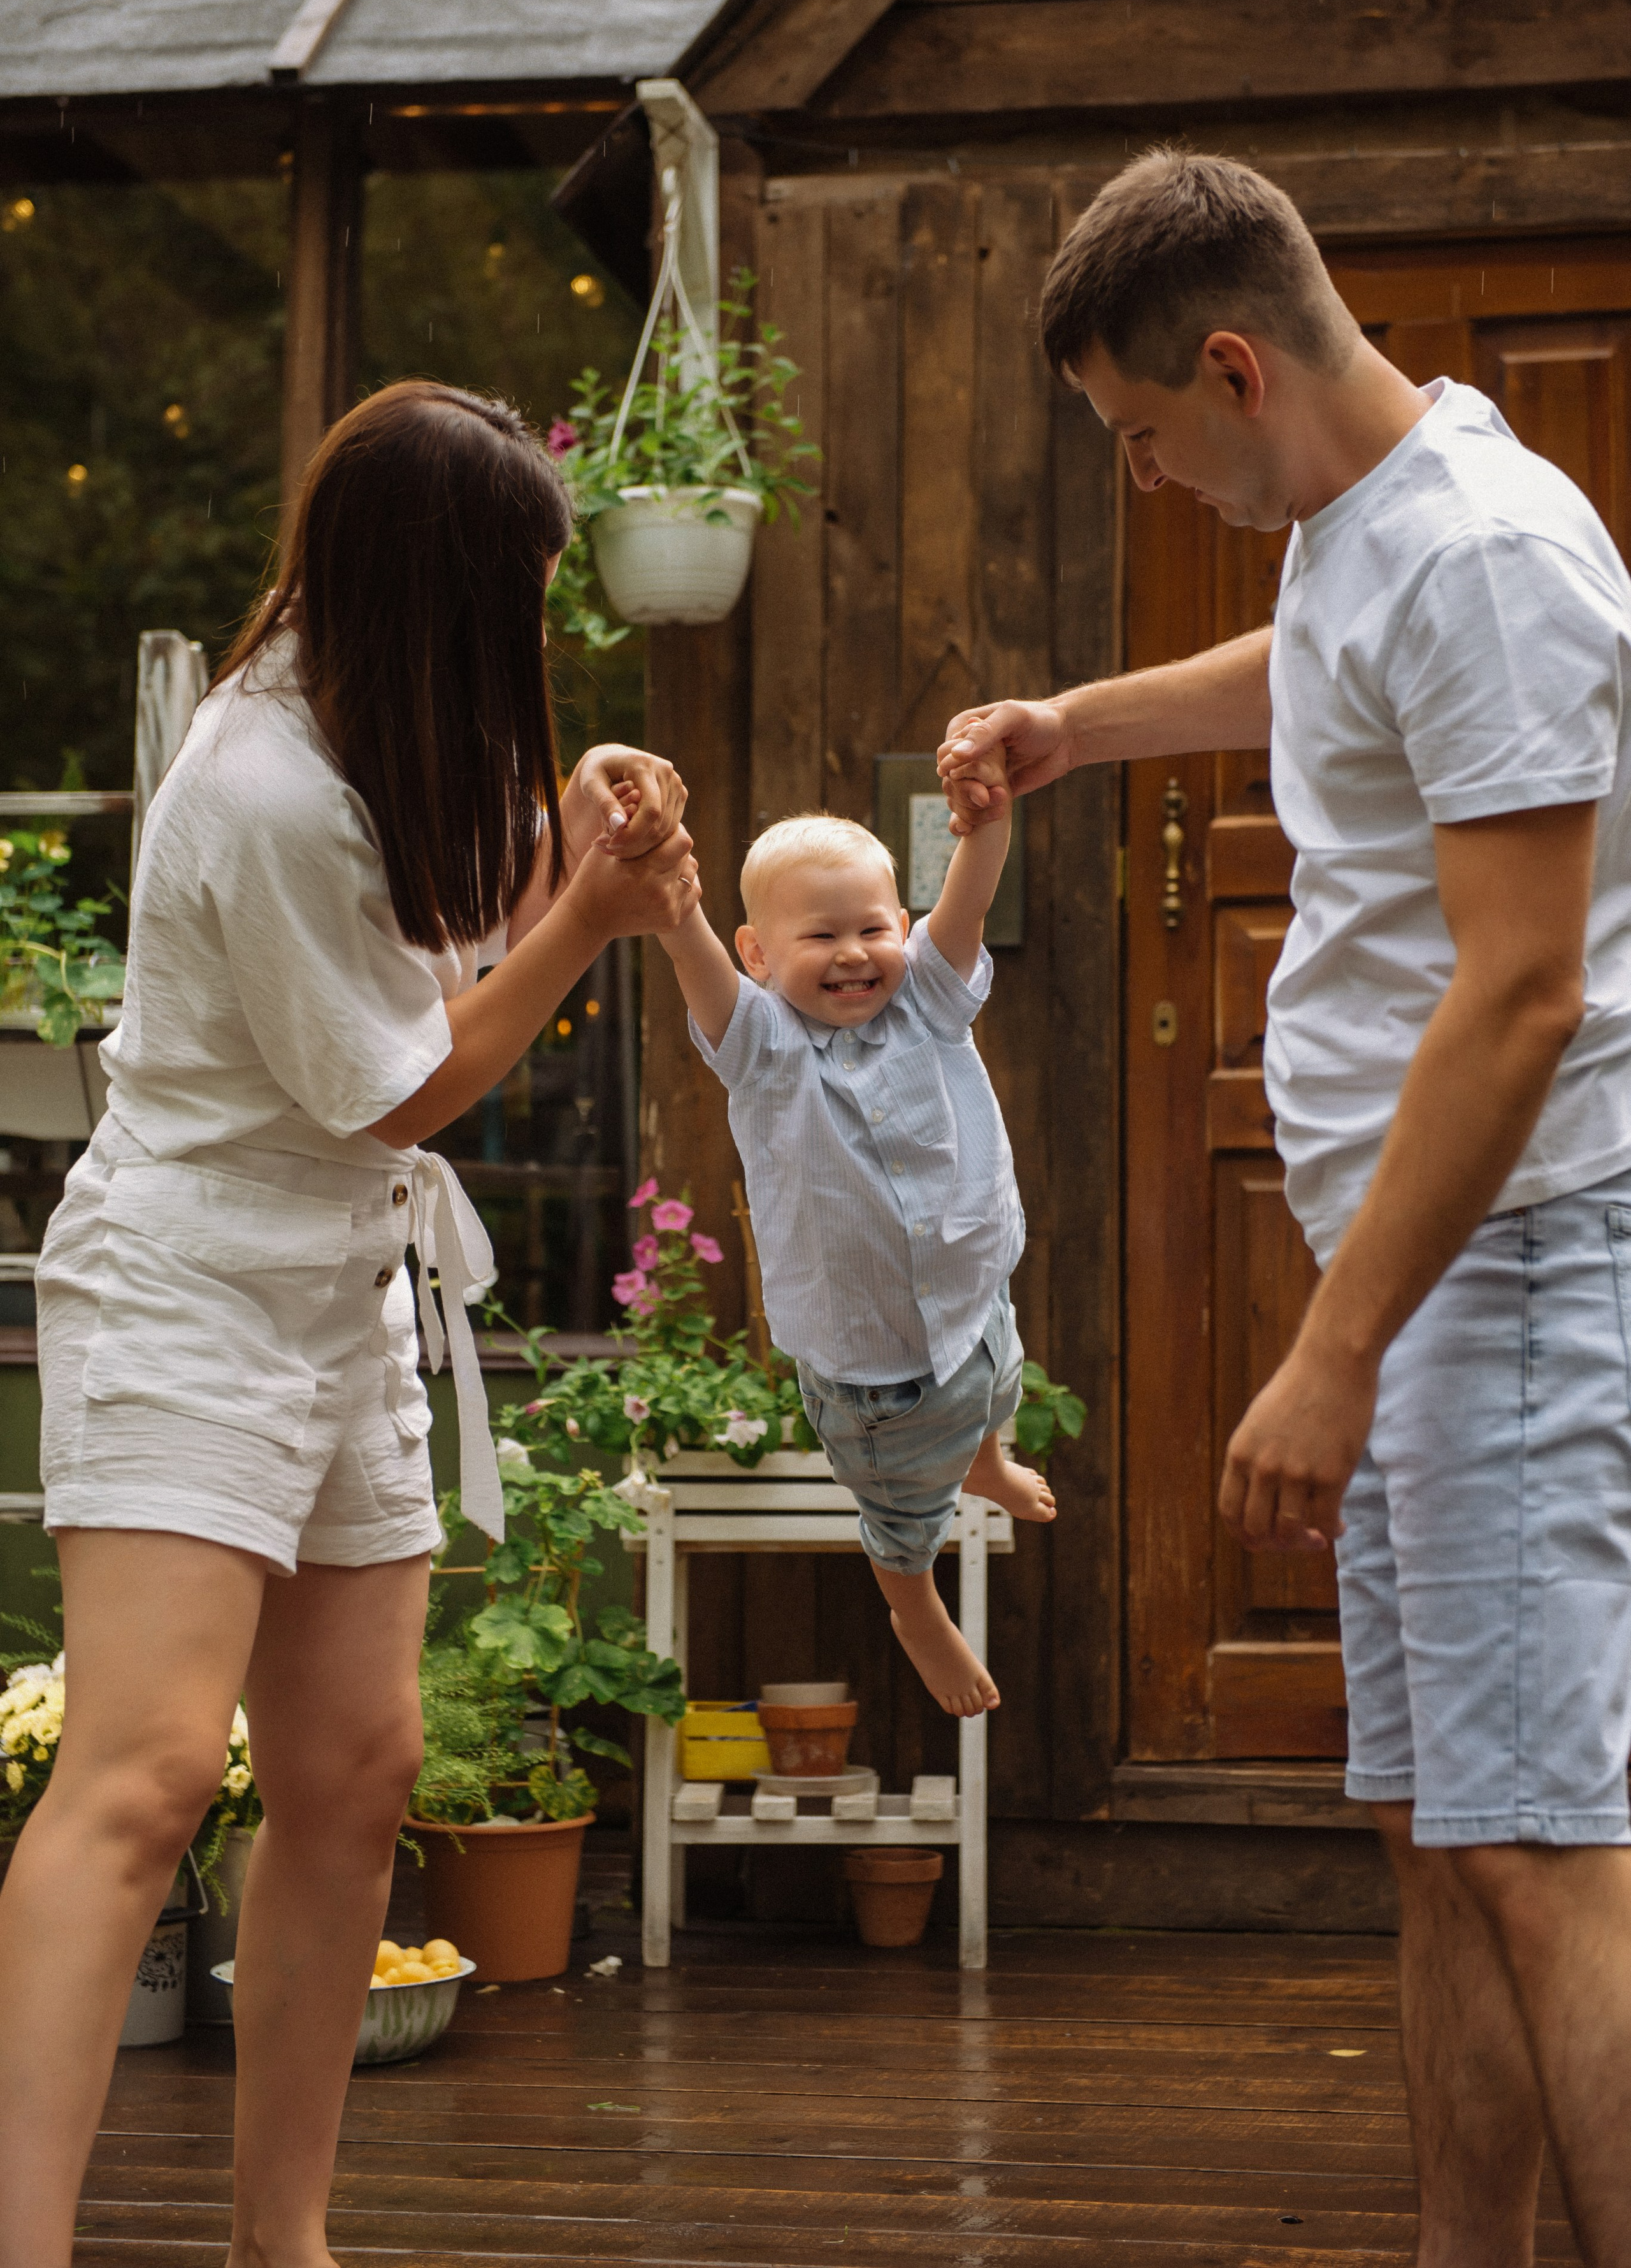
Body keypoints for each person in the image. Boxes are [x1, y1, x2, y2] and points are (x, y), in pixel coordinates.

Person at [938, 148, 1631, 2265]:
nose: (1143, 481)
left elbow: (1520, 996)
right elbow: (1313, 676)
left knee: (1544, 1848)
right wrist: (1076, 730)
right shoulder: (1372, 530)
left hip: (1506, 1262)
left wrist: (1333, 1353)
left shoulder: (1492, 559)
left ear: (1233, 365)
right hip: (1428, 1281)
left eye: (1144, 437)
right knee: (1445, 1837)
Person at [0, 380, 699, 2268]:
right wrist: (596, 919)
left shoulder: (377, 719)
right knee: (143, 1771)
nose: (539, 636)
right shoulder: (268, 783)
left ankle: (280, 2239)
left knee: (356, 1763)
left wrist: (569, 830)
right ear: (441, 582)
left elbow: (444, 956)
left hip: (342, 1284)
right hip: (190, 1281)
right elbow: (404, 1084)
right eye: (527, 597)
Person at [654, 806, 1056, 1718]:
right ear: (757, 954)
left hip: (970, 1296)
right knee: (902, 1516)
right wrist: (679, 914)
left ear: (903, 933)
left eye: (873, 928)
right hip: (878, 1375)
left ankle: (984, 1459)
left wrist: (987, 826)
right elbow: (696, 964)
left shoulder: (927, 998)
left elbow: (971, 901)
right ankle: (914, 1611)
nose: (853, 954)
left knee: (998, 1382)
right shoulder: (762, 1047)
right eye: (821, 935)